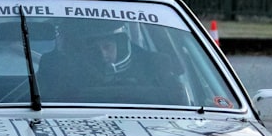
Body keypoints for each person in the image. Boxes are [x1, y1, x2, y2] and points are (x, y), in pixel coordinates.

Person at [37, 19, 185, 103]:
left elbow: (181, 99)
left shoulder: (154, 68)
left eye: (107, 46)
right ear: (79, 52)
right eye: (92, 49)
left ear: (120, 46)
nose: (102, 54)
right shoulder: (57, 73)